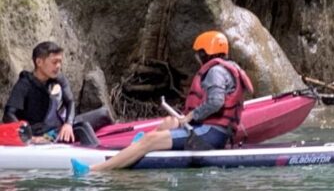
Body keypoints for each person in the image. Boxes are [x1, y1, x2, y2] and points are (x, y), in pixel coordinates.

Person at [73, 31, 253, 174]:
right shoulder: (226, 68)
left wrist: (192, 115)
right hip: (213, 129)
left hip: (211, 134)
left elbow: (216, 102)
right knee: (169, 122)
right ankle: (137, 147)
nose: (197, 57)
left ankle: (94, 170)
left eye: (198, 53)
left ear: (204, 53)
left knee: (151, 138)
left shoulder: (216, 72)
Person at [2, 41, 109, 144]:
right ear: (39, 62)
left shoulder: (59, 78)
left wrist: (68, 123)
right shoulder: (25, 84)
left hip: (60, 128)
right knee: (83, 127)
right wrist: (29, 137)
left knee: (104, 114)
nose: (58, 66)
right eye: (54, 62)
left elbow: (70, 101)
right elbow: (9, 114)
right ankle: (101, 156)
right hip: (39, 134)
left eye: (60, 62)